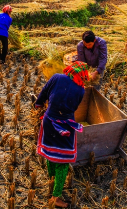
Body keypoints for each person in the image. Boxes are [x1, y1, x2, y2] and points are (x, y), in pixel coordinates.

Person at [35, 61, 90, 208]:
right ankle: (56, 196)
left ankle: (52, 179)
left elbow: (44, 92)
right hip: (64, 125)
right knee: (63, 161)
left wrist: (38, 105)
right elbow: (74, 106)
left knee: (50, 152)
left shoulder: (56, 77)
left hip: (48, 120)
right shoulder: (81, 90)